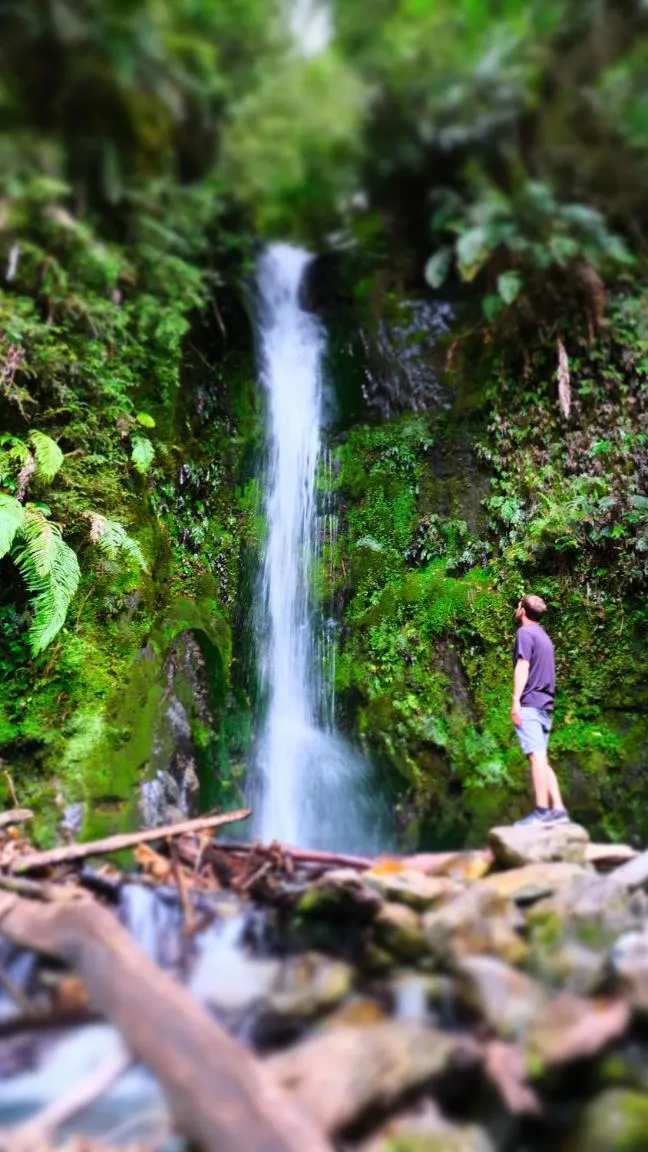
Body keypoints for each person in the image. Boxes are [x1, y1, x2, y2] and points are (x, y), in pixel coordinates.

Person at [511, 594, 570, 826]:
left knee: (536, 756)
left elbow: (523, 666)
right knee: (541, 757)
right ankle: (558, 810)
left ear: (523, 610)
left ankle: (542, 811)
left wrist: (516, 700)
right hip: (546, 705)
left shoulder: (524, 633)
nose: (516, 608)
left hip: (531, 704)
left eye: (518, 605)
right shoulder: (544, 636)